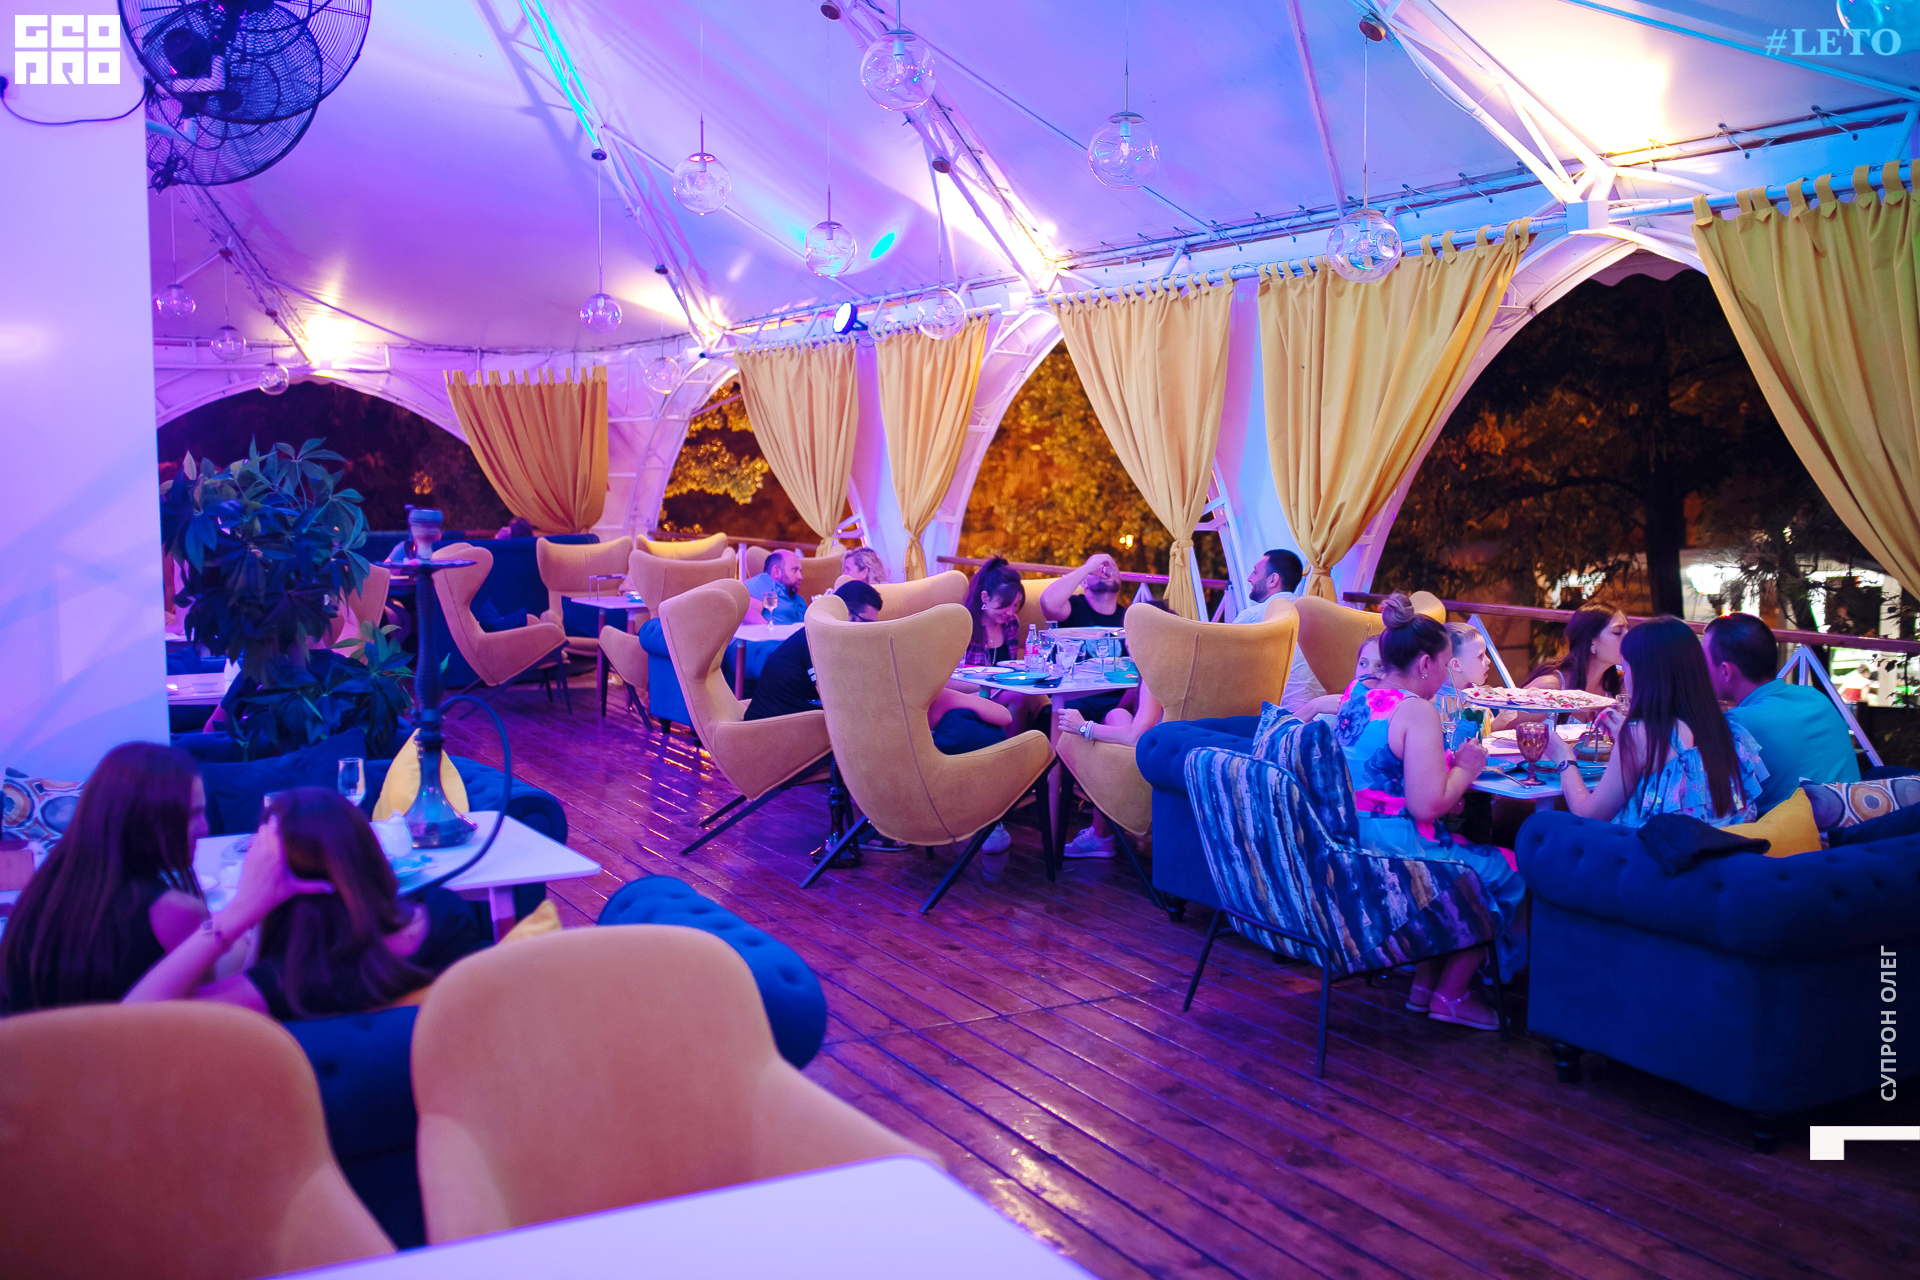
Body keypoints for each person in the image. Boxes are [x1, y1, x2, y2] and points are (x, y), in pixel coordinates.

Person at [124, 789, 489, 1019]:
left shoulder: (287, 984)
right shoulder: (445, 915)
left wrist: (240, 911)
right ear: (368, 852)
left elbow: (132, 1019)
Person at [1334, 593, 1525, 1031]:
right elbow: (1426, 806)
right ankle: (1452, 994)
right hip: (1399, 849)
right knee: (1510, 870)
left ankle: (1424, 987)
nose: (1444, 673)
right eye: (1443, 663)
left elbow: (1383, 775)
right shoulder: (1417, 710)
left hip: (1352, 839)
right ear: (1424, 663)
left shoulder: (1357, 694)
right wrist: (1466, 769)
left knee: (1466, 850)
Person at [1, 744, 210, 1013]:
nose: (205, 829)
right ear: (142, 820)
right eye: (191, 816)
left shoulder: (44, 890)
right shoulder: (174, 911)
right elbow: (208, 1012)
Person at [1546, 616, 1767, 829]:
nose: (1625, 677)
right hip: (1724, 850)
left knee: (1545, 825)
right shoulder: (1729, 729)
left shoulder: (1641, 736)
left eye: (1625, 668)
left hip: (1660, 854)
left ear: (1644, 674)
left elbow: (1588, 815)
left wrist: (1564, 757)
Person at [1055, 601, 1178, 858]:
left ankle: (1100, 835)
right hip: (1178, 760)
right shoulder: (1177, 661)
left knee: (1072, 739)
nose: (1126, 641)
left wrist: (1084, 727)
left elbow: (1135, 737)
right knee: (1116, 714)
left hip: (1154, 772)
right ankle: (1101, 830)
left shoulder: (1156, 671)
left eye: (1129, 632)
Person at [1702, 612, 1861, 811]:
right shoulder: (1816, 698)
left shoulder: (1737, 725)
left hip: (1798, 831)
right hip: (1858, 824)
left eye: (1702, 661)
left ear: (1726, 671)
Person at [744, 581, 883, 722]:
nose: (869, 632)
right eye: (867, 623)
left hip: (792, 718)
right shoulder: (818, 639)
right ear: (845, 613)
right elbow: (833, 702)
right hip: (769, 727)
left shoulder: (829, 637)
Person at [1519, 604, 1627, 718]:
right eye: (1617, 632)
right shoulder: (1549, 688)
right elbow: (1505, 725)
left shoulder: (1619, 687)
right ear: (1591, 641)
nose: (1628, 638)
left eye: (1627, 631)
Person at [1296, 634, 1383, 721]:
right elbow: (1289, 727)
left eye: (1380, 666)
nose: (1369, 672)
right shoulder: (1339, 710)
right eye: (1363, 664)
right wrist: (1314, 706)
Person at [1040, 553, 1125, 628]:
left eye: (1112, 566)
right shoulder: (1074, 607)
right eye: (1097, 568)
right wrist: (1089, 567)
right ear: (1084, 582)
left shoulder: (1126, 617)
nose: (1104, 570)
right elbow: (1048, 603)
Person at [1232, 549, 1304, 625]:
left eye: (1255, 572)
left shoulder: (1251, 617)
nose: (1249, 579)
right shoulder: (1308, 612)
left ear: (1272, 580)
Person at [743, 549, 807, 625]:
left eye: (800, 571)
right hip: (771, 632)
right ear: (776, 571)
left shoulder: (799, 599)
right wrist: (771, 630)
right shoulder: (764, 581)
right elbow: (749, 613)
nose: (800, 577)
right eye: (794, 570)